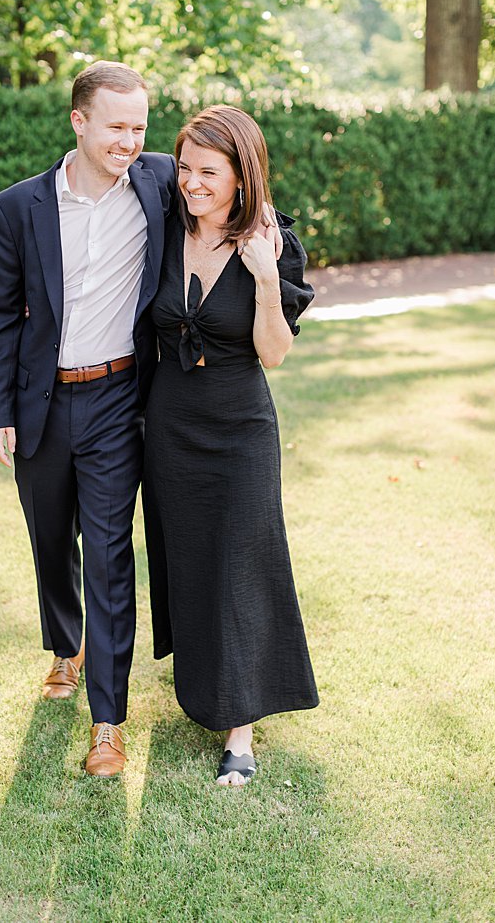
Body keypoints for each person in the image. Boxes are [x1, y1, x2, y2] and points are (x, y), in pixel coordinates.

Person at [0, 61, 174, 777]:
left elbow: (227, 186)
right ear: (78, 121)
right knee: (50, 534)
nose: (130, 140)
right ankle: (66, 644)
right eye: (116, 125)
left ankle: (108, 721)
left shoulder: (160, 183)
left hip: (121, 398)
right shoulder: (17, 208)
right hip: (42, 402)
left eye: (139, 126)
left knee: (111, 554)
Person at [143, 105, 319, 786]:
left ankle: (240, 735)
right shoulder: (163, 227)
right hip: (170, 429)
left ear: (241, 177)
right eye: (185, 167)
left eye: (208, 171)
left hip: (241, 429)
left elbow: (274, 354)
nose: (191, 181)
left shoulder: (273, 244)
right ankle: (202, 690)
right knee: (190, 559)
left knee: (242, 562)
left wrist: (267, 276)